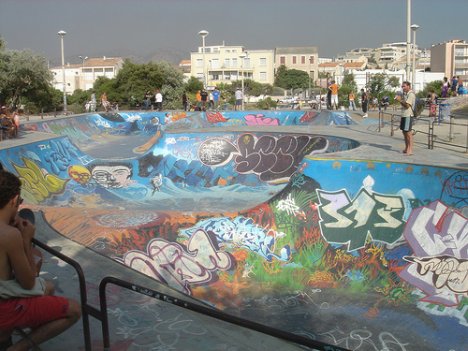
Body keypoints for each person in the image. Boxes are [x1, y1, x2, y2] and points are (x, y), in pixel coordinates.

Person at [0, 170, 81, 350]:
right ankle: (16, 348)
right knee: (74, 309)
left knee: (48, 287)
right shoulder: (9, 235)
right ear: (14, 200)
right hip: (4, 309)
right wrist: (27, 240)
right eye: (19, 202)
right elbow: (29, 282)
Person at [395, 81, 416, 156]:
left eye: (404, 86)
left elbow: (407, 106)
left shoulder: (411, 94)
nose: (402, 88)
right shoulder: (405, 94)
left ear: (408, 86)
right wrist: (400, 100)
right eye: (402, 86)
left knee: (408, 133)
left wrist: (399, 100)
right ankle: (406, 148)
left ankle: (410, 150)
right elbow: (404, 104)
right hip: (404, 115)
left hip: (408, 115)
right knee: (404, 132)